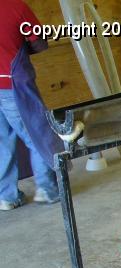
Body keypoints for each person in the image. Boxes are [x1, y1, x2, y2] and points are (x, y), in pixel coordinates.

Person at [0, 0, 61, 211]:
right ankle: (47, 189)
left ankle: (7, 196)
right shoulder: (16, 6)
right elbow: (39, 42)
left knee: (1, 143)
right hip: (12, 84)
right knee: (36, 134)